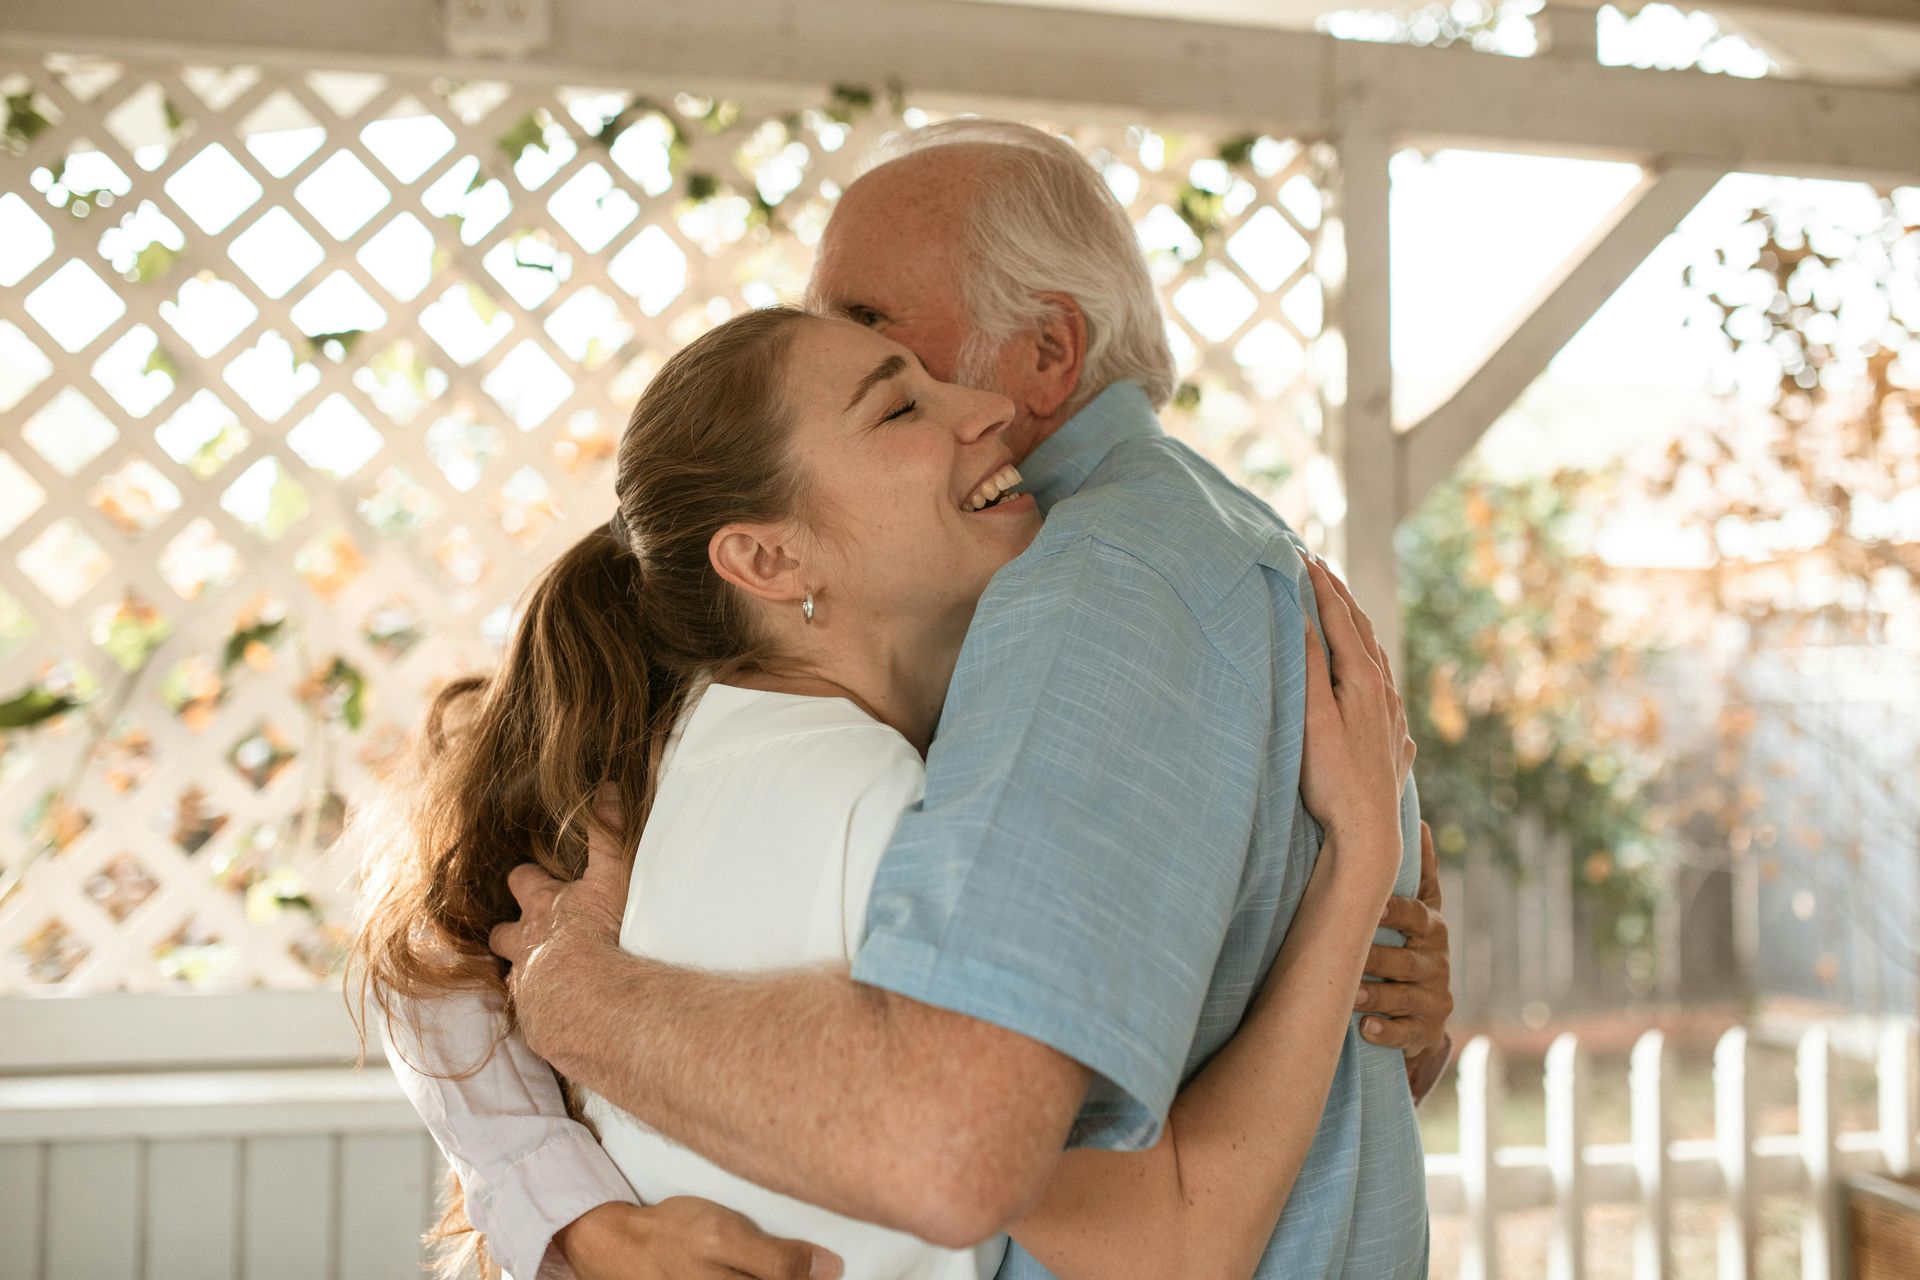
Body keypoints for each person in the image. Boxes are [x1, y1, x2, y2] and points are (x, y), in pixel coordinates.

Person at [369, 120, 1453, 1280]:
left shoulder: (1083, 595)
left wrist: (1372, 949)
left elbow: (1344, 1068)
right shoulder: (860, 744)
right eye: (893, 400)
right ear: (769, 563)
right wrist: (572, 1167)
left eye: (873, 331)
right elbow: (442, 935)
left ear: (1046, 353)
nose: (959, 413)